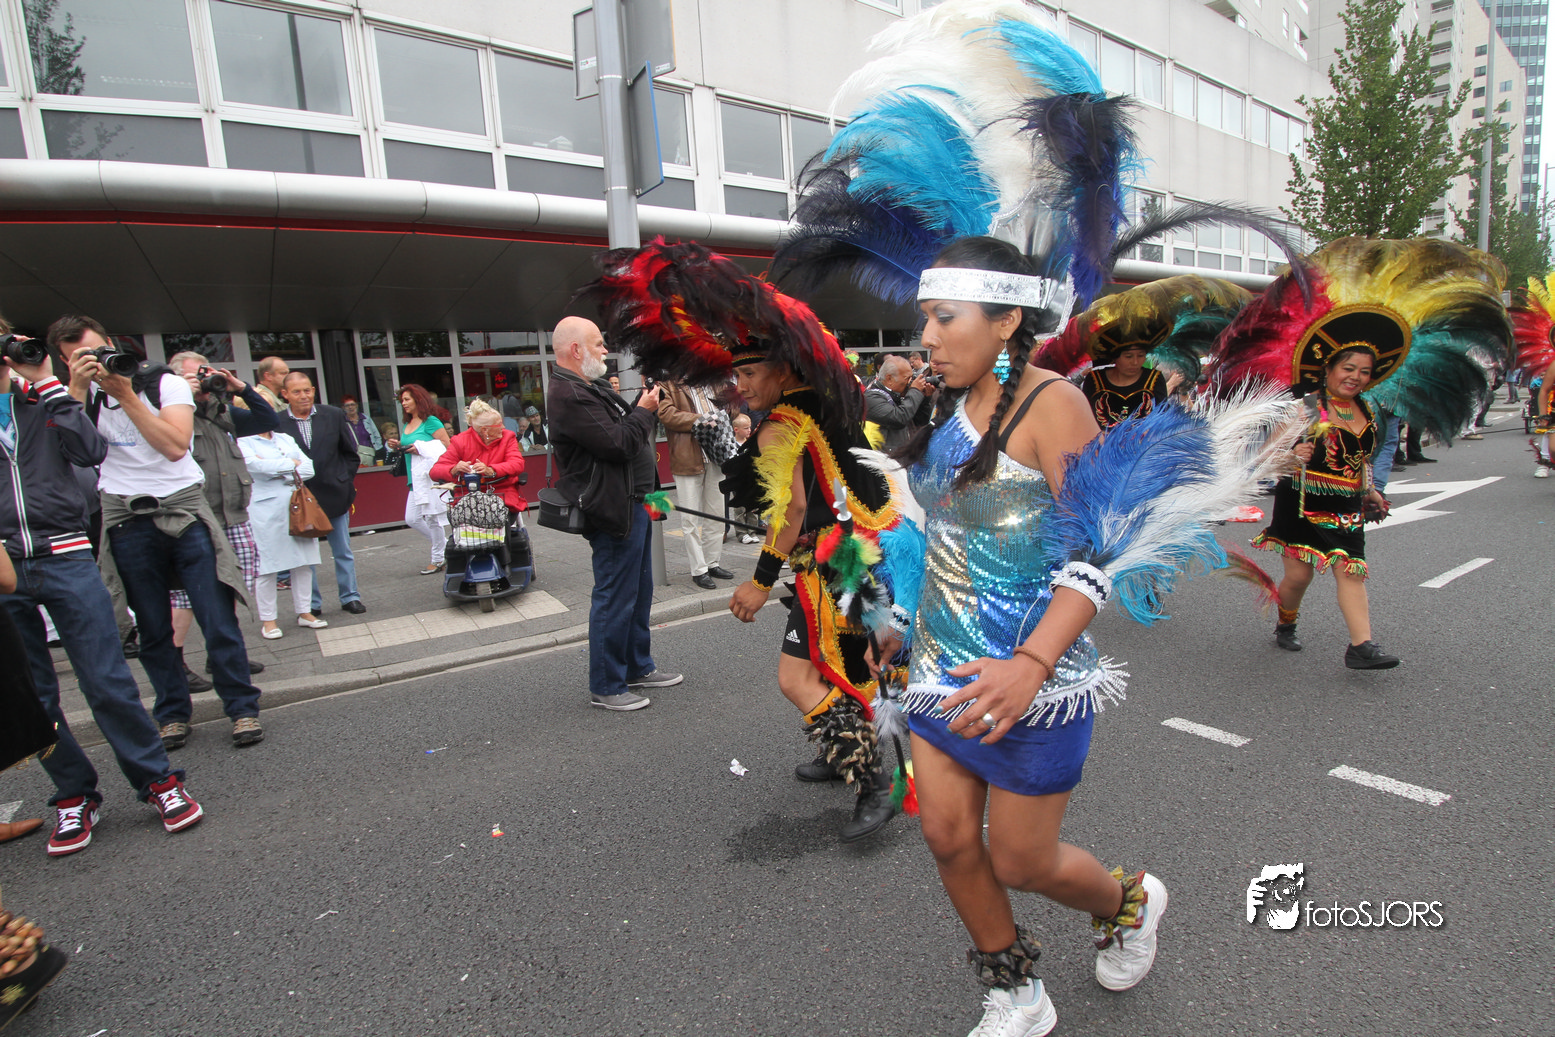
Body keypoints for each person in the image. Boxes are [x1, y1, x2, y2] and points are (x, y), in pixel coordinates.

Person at [579, 239, 900, 841]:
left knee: (798, 678)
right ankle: (843, 752)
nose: (742, 384)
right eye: (737, 374)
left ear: (783, 369)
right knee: (842, 662)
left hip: (831, 563)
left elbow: (791, 509)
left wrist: (758, 582)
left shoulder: (782, 421)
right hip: (861, 552)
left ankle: (873, 782)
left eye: (750, 373)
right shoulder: (822, 401)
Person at [1210, 237, 1510, 670]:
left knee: (1351, 569)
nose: (1355, 377)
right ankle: (1286, 622)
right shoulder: (1304, 407)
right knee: (1298, 576)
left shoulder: (1369, 410)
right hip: (1303, 504)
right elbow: (1264, 456)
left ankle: (1361, 647)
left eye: (1364, 372)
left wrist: (1370, 491)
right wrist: (1292, 454)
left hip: (1347, 505)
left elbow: (1361, 459)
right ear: (1328, 368)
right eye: (1348, 368)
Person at [2, 326, 206, 854]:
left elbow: (88, 450)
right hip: (4, 565)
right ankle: (74, 794)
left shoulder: (39, 400)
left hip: (66, 554)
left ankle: (158, 781)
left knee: (106, 681)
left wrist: (46, 381)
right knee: (35, 696)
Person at [60, 314, 265, 751]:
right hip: (125, 516)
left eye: (98, 351)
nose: (94, 361)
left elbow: (174, 446)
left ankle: (242, 708)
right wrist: (77, 390)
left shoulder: (163, 384)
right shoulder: (76, 395)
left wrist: (124, 393)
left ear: (112, 345)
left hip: (183, 510)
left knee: (216, 616)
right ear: (66, 361)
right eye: (80, 357)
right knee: (153, 628)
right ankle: (172, 713)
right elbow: (76, 453)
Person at [546, 315, 680, 712]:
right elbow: (619, 443)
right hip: (613, 509)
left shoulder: (588, 387)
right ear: (576, 350)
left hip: (636, 502)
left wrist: (642, 406)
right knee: (615, 596)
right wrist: (646, 410)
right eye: (598, 343)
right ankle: (606, 685)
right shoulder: (570, 394)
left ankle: (638, 667)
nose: (606, 350)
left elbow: (622, 436)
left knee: (639, 592)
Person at [167, 351, 275, 685]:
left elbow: (267, 420)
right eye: (193, 376)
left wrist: (240, 388)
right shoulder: (168, 414)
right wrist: (180, 395)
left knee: (232, 586)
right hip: (194, 519)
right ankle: (175, 664)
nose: (202, 381)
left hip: (233, 516)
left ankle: (223, 655)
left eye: (204, 373)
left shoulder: (223, 411)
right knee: (185, 596)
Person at [274, 371, 366, 613]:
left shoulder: (333, 415)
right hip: (299, 498)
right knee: (305, 556)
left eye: (307, 390)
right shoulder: (277, 422)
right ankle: (312, 604)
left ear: (314, 390)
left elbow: (350, 453)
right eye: (296, 392)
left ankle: (350, 597)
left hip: (334, 493)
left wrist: (343, 480)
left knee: (342, 550)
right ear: (285, 394)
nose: (303, 396)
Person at [239, 426, 325, 638]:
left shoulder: (285, 438)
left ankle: (305, 612)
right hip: (264, 509)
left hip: (297, 504)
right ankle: (269, 621)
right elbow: (254, 466)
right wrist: (291, 464)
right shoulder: (243, 440)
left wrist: (275, 470)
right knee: (267, 565)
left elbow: (309, 468)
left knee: (303, 562)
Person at [658, 380, 736, 589]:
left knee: (717, 514)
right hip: (687, 458)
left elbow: (733, 407)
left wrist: (728, 409)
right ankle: (699, 570)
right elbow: (666, 414)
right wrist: (701, 419)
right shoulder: (668, 384)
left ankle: (712, 563)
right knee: (690, 518)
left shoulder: (713, 381)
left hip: (716, 454)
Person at [387, 383, 452, 575]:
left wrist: (421, 448)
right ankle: (445, 547)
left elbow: (446, 445)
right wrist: (398, 445)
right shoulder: (408, 423)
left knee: (431, 518)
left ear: (418, 400)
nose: (404, 403)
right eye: (402, 400)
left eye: (407, 399)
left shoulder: (431, 421)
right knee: (413, 519)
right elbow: (411, 445)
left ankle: (438, 558)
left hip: (429, 478)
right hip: (415, 478)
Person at [430, 397, 527, 516]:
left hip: (502, 493)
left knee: (496, 516)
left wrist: (491, 470)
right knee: (465, 519)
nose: (503, 427)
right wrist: (454, 469)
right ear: (485, 430)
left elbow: (517, 464)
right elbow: (435, 471)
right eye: (499, 424)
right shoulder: (460, 441)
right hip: (468, 497)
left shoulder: (508, 437)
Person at [1080, 343, 1168, 429]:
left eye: (1140, 355)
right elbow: (1084, 417)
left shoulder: (1154, 378)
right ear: (1115, 357)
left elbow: (1163, 415)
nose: (1135, 362)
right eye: (1128, 356)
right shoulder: (1094, 379)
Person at [865, 353, 936, 452]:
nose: (910, 382)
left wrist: (924, 398)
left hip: (903, 456)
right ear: (889, 378)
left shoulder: (897, 395)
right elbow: (899, 418)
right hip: (884, 459)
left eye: (912, 378)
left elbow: (920, 423)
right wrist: (915, 391)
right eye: (907, 378)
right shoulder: (871, 398)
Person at [730, 412, 763, 543]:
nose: (749, 430)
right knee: (740, 508)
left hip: (751, 480)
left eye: (750, 427)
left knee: (752, 507)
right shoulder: (731, 444)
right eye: (746, 428)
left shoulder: (750, 443)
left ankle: (752, 531)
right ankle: (741, 533)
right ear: (736, 430)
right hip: (738, 481)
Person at [341, 395, 383, 466]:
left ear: (356, 405)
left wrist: (376, 450)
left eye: (352, 404)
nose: (350, 407)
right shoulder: (342, 421)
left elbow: (376, 436)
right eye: (347, 405)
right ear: (343, 407)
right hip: (350, 458)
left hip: (368, 456)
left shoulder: (366, 419)